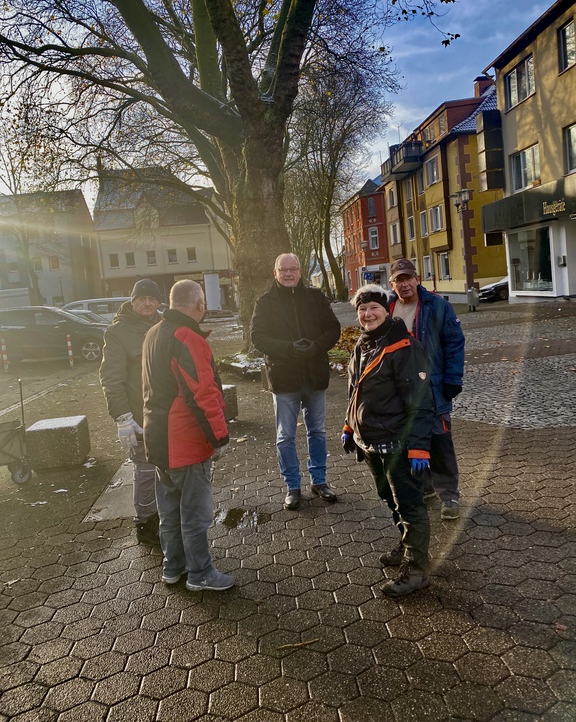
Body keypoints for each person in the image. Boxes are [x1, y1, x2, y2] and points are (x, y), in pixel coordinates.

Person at [342, 284, 435, 597]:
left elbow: (421, 402)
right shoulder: (362, 346)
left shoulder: (403, 347)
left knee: (409, 505)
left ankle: (418, 569)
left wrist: (419, 447)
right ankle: (407, 545)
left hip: (397, 442)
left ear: (387, 310)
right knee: (389, 497)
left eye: (374, 308)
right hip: (370, 441)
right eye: (362, 310)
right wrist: (348, 427)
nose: (368, 315)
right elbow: (356, 391)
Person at [142, 279, 234, 592]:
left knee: (169, 509)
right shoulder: (188, 336)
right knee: (194, 512)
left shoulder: (154, 332)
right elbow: (203, 393)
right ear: (199, 304)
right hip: (185, 442)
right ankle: (201, 573)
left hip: (158, 440)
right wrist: (219, 437)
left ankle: (174, 567)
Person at [250, 253, 341, 510]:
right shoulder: (264, 303)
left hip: (314, 375)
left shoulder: (315, 298)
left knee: (318, 431)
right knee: (285, 435)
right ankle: (292, 486)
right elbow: (258, 337)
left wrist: (315, 346)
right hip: (284, 378)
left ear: (300, 272)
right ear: (275, 272)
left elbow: (333, 329)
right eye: (283, 270)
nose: (288, 274)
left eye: (293, 269)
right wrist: (289, 348)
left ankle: (319, 481)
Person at [388, 259, 465, 520]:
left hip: (433, 384)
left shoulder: (436, 305)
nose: (404, 283)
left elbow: (454, 343)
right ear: (392, 284)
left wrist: (453, 379)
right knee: (412, 436)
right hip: (402, 388)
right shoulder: (388, 308)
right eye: (399, 279)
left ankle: (449, 495)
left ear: (417, 279)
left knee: (440, 439)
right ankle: (426, 486)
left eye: (408, 278)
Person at [100, 278, 162, 545]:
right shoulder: (117, 333)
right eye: (141, 299)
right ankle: (146, 522)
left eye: (151, 299)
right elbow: (111, 378)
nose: (147, 303)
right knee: (146, 471)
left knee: (167, 469)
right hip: (139, 416)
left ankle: (166, 516)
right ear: (132, 301)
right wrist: (122, 417)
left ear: (158, 302)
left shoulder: (164, 324)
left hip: (167, 414)